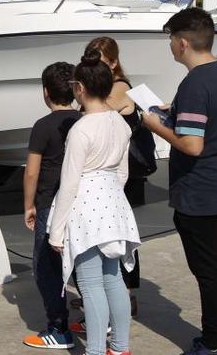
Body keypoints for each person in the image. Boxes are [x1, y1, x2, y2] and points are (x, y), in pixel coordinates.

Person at [142, 8, 217, 355]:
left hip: (202, 190)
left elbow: (192, 144)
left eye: (171, 39)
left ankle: (214, 342)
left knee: (207, 268)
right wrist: (176, 111)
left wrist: (157, 126)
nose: (171, 46)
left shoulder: (196, 82)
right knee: (215, 259)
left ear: (182, 42)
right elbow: (210, 123)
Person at [48, 49, 141, 355]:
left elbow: (70, 183)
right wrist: (110, 194)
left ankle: (96, 350)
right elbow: (123, 173)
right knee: (113, 277)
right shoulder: (120, 122)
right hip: (113, 203)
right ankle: (121, 346)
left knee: (89, 284)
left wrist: (56, 231)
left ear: (80, 88)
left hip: (86, 207)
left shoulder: (80, 129)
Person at [70, 37, 145, 328]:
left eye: (98, 58)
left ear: (113, 62)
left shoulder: (117, 88)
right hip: (112, 177)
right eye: (89, 56)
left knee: (113, 250)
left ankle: (115, 309)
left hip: (112, 177)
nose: (93, 63)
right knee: (111, 251)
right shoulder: (109, 89)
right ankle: (114, 310)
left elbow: (97, 114)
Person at [21, 62, 81, 350]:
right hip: (81, 201)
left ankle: (58, 326)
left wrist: (28, 204)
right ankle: (97, 319)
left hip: (49, 202)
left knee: (46, 264)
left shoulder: (43, 126)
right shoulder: (84, 120)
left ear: (46, 92)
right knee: (83, 263)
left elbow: (31, 171)